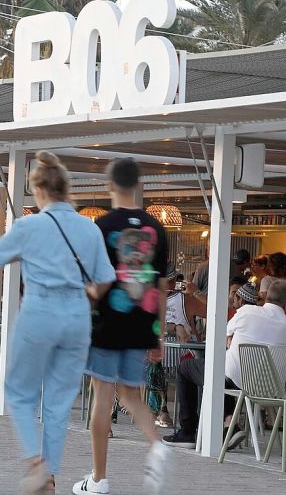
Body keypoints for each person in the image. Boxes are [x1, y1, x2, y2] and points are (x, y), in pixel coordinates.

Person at [0, 151, 115, 495]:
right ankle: (51, 477)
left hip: (40, 310)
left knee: (19, 391)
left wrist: (27, 251)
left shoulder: (29, 225)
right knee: (59, 401)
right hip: (76, 314)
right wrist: (87, 297)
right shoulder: (88, 228)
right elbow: (105, 278)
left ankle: (37, 463)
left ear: (37, 190)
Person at [72, 157, 171, 495]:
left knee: (102, 397)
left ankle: (98, 479)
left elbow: (94, 280)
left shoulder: (99, 226)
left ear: (110, 184)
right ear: (138, 185)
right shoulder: (156, 230)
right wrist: (159, 335)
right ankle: (156, 444)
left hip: (106, 323)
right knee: (131, 393)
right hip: (142, 321)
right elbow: (161, 287)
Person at [163, 279, 286, 448]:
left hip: (235, 381)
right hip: (271, 390)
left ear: (267, 297)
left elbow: (222, 334)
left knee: (188, 368)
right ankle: (228, 424)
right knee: (224, 372)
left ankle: (188, 433)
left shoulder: (248, 312)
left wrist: (230, 338)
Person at [166, 269, 207, 343]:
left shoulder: (185, 298)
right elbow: (215, 313)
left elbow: (214, 313)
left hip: (179, 352)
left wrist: (195, 292)